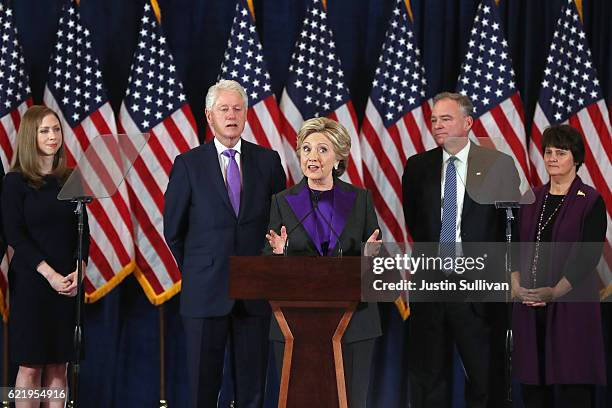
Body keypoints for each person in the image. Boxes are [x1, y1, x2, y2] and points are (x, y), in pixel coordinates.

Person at [163, 79, 286, 408]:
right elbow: (173, 230)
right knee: (203, 391)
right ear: (209, 115)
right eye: (224, 109)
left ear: (246, 115)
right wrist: (200, 268)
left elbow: (279, 223)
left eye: (237, 109)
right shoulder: (188, 164)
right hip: (205, 293)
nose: (231, 115)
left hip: (254, 293)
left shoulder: (268, 162)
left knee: (253, 392)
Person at [401, 92, 519, 407]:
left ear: (467, 123)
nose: (437, 125)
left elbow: (508, 229)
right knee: (428, 380)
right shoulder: (417, 167)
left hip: (477, 291)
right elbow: (416, 222)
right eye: (434, 120)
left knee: (485, 380)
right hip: (431, 286)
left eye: (446, 118)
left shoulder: (497, 165)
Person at [265, 117, 382, 408]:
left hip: (353, 323)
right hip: (293, 326)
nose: (312, 157)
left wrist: (371, 260)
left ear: (339, 157)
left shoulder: (360, 200)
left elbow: (378, 265)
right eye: (306, 149)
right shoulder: (282, 201)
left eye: (322, 150)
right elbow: (266, 267)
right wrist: (280, 254)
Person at [511, 124, 607, 408]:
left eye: (560, 152)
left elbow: (587, 258)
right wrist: (516, 288)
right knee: (533, 392)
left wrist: (553, 292)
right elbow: (513, 247)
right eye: (548, 152)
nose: (552, 158)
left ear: (576, 159)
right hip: (529, 309)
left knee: (571, 391)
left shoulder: (590, 201)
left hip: (570, 308)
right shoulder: (530, 199)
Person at [1, 105, 88, 408]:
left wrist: (80, 270)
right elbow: (15, 235)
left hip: (67, 283)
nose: (53, 136)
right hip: (32, 284)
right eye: (45, 130)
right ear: (30, 136)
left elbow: (83, 233)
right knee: (30, 366)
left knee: (59, 365)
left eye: (56, 129)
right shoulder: (15, 182)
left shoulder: (71, 178)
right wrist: (49, 274)